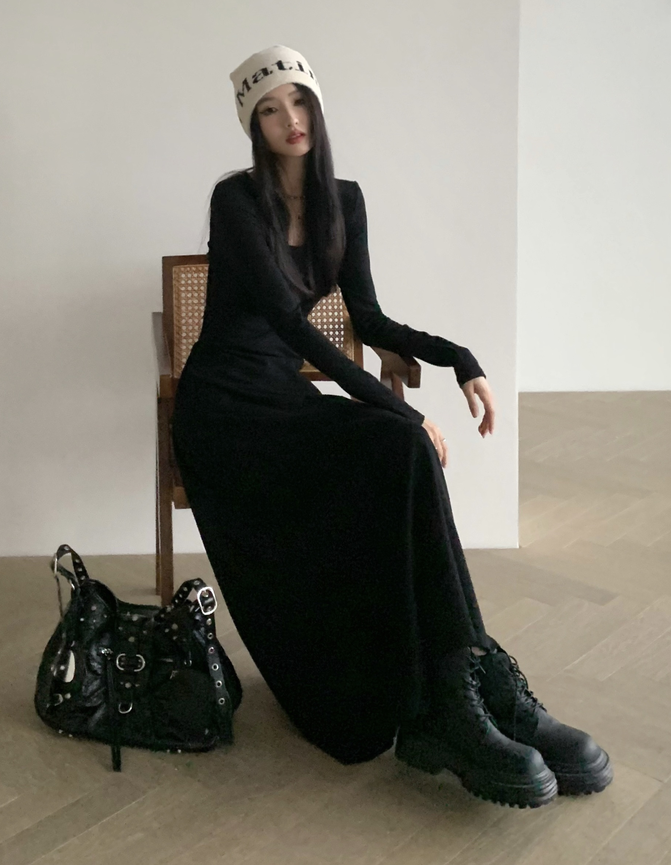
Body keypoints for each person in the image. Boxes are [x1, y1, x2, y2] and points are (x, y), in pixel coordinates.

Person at [171, 44, 612, 808]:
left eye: (298, 100)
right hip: (223, 412)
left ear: (316, 105)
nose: (288, 119)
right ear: (253, 126)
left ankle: (469, 677)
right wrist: (401, 408)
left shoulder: (345, 201)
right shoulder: (235, 200)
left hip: (281, 399)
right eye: (268, 110)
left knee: (397, 450)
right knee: (401, 439)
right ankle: (455, 692)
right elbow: (288, 322)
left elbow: (367, 319)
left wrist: (458, 358)